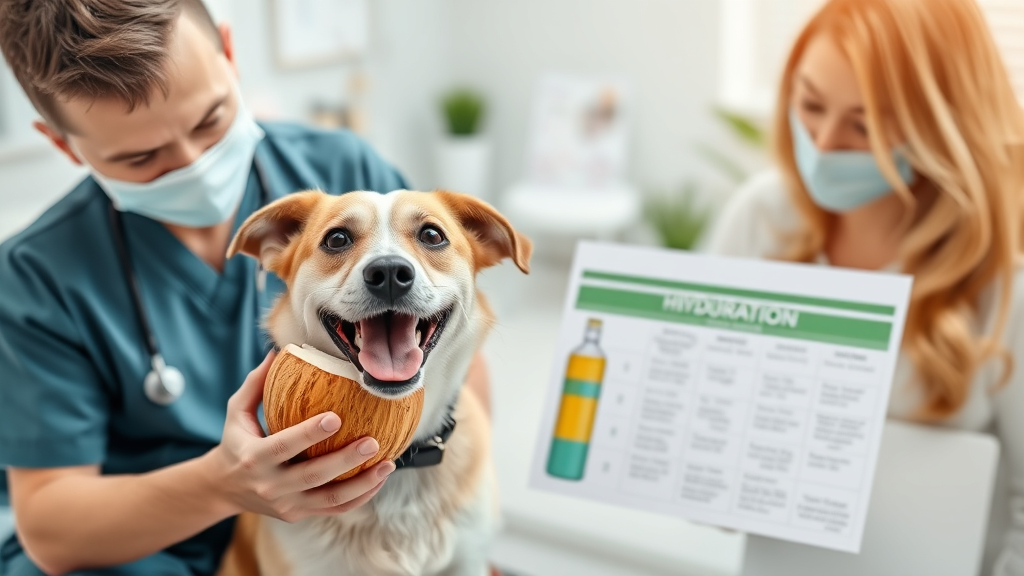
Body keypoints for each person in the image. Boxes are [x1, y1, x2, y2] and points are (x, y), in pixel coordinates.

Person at [0, 1, 493, 575]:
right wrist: (223, 486)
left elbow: (454, 340)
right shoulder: (36, 276)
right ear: (63, 144)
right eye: (141, 157)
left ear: (228, 55)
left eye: (211, 119)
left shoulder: (346, 176)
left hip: (357, 523)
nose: (195, 163)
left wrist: (450, 506)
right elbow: (53, 529)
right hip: (143, 550)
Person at [703, 0, 1024, 573]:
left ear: (940, 124)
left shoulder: (1005, 288)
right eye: (811, 104)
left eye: (865, 124)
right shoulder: (758, 218)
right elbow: (706, 438)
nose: (824, 144)